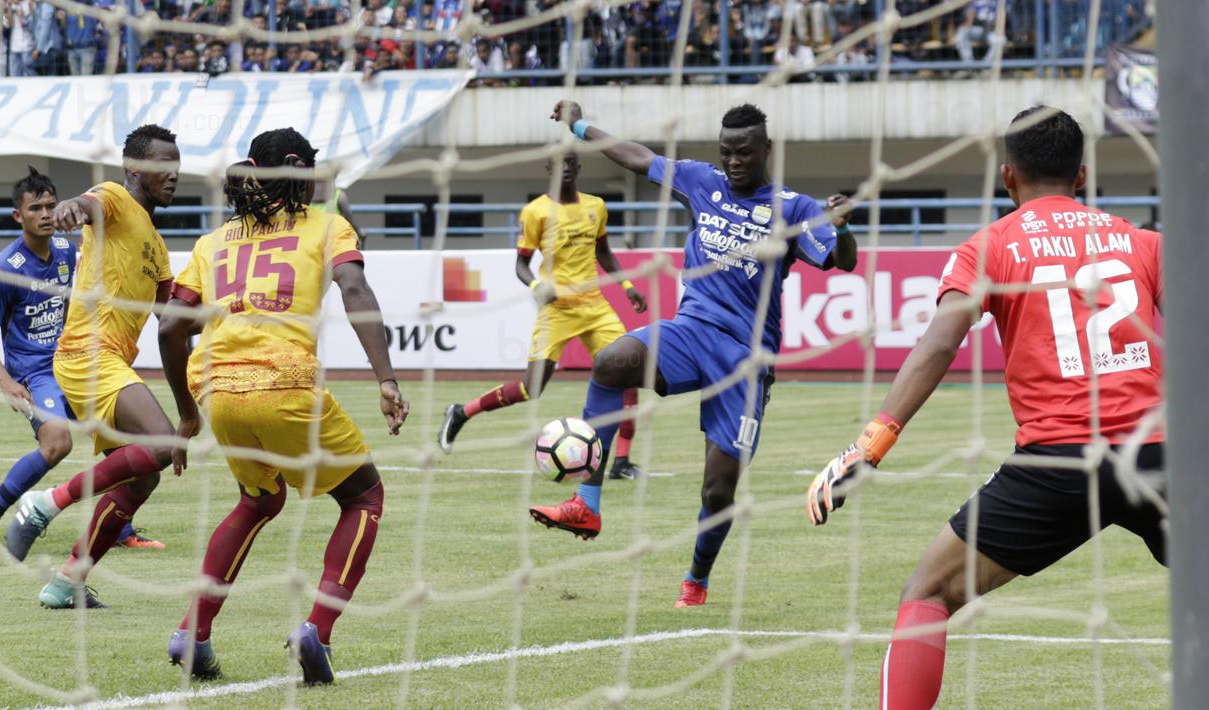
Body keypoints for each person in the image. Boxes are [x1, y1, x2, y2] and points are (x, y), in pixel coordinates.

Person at [805, 107, 1165, 709]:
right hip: (1160, 456)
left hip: (1058, 464)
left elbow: (941, 342)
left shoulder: (989, 246)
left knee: (928, 593)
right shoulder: (1145, 243)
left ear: (1007, 177)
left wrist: (870, 445)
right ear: (1082, 176)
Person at [538, 101, 858, 607]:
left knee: (717, 491)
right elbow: (636, 157)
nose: (734, 162)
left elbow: (842, 262)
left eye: (745, 153)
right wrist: (579, 124)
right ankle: (587, 503)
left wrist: (841, 227)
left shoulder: (794, 207)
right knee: (610, 363)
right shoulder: (701, 182)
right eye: (727, 152)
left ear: (766, 151)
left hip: (745, 361)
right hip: (690, 331)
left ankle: (697, 579)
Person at [160, 127, 408, 684]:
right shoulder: (327, 226)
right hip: (286, 383)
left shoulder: (213, 240)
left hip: (220, 392)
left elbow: (172, 326)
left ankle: (191, 634)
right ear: (298, 169)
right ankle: (317, 630)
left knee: (258, 500)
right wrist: (386, 379)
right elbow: (356, 291)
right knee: (364, 496)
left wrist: (186, 409)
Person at [3, 124, 182, 608]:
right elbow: (87, 205)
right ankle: (45, 503)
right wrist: (68, 210)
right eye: (162, 165)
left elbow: (174, 321)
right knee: (161, 443)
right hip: (86, 354)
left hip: (110, 364)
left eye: (176, 166)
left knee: (143, 477)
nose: (172, 175)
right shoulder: (116, 198)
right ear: (134, 168)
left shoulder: (158, 248)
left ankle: (65, 584)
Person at [438, 152, 650, 481]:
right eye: (558, 164)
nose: (565, 168)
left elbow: (603, 251)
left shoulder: (595, 206)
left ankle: (621, 462)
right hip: (557, 311)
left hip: (595, 307)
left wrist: (626, 285)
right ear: (548, 168)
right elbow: (520, 265)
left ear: (578, 167)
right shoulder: (536, 211)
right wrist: (538, 285)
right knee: (530, 388)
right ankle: (461, 412)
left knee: (629, 373)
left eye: (571, 162)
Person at [0, 168, 75, 557]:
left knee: (124, 429)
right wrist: (3, 379)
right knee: (57, 442)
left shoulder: (68, 252)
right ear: (19, 216)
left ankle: (119, 525)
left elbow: (70, 304)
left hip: (71, 361)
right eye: (36, 208)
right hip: (33, 373)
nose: (47, 214)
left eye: (51, 205)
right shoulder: (7, 269)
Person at [309, 172, 365, 249]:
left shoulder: (307, 195)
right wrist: (359, 233)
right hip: (332, 243)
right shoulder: (339, 195)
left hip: (314, 242)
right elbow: (350, 220)